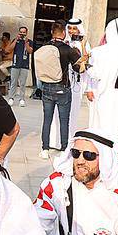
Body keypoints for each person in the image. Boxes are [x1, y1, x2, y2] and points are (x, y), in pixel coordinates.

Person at [82, 18, 118, 133]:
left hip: (105, 95)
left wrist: (86, 65)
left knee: (104, 127)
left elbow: (96, 73)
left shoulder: (98, 52)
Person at [33, 21, 79, 157]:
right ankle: (64, 148)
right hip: (62, 88)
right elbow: (78, 68)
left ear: (52, 32)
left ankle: (45, 149)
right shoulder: (67, 49)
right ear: (64, 33)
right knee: (64, 120)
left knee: (47, 119)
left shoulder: (45, 47)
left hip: (46, 87)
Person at [7, 28, 33, 104]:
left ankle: (22, 99)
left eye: (24, 32)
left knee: (22, 83)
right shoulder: (16, 40)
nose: (22, 34)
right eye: (21, 32)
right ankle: (11, 98)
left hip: (24, 65)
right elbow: (9, 49)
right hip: (15, 64)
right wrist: (15, 40)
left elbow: (30, 51)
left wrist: (26, 43)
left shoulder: (29, 41)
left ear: (26, 33)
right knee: (13, 82)